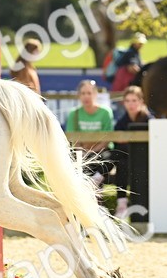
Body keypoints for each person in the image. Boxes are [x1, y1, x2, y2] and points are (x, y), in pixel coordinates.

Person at [112, 85, 153, 218]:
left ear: (141, 102)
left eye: (134, 100)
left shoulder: (149, 120)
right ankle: (122, 204)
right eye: (128, 101)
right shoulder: (121, 122)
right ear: (124, 103)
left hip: (147, 160)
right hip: (126, 160)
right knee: (120, 162)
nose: (131, 104)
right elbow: (117, 143)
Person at [65, 79, 114, 187]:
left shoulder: (105, 112)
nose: (86, 96)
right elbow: (73, 138)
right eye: (83, 93)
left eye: (89, 93)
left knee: (110, 159)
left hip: (101, 151)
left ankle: (91, 185)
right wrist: (83, 151)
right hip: (81, 151)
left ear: (95, 94)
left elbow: (106, 139)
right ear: (79, 95)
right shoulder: (74, 113)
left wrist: (92, 151)